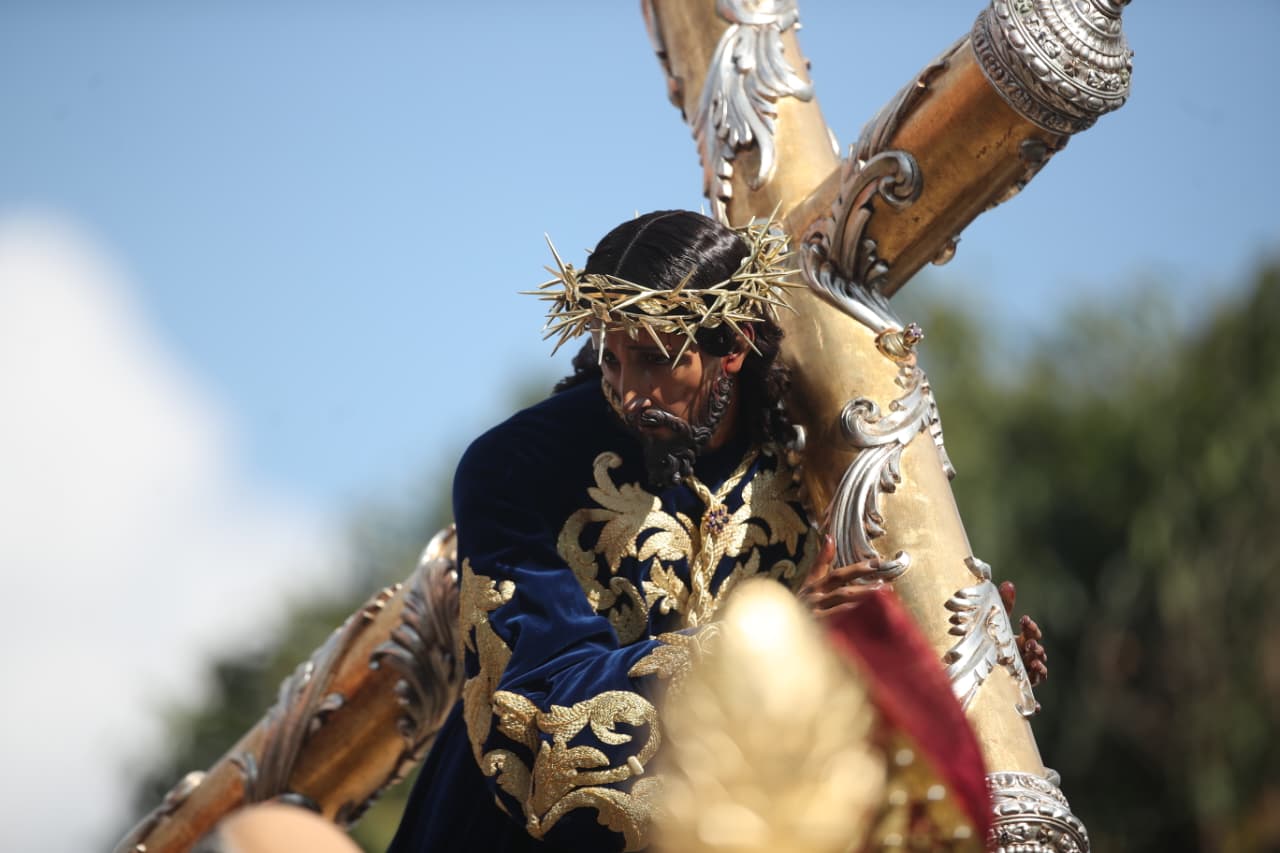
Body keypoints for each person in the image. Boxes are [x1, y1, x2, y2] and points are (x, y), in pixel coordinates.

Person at [388, 210, 1045, 852]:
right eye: (612, 359)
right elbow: (534, 724)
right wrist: (759, 644)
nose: (630, 393)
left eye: (653, 360)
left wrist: (964, 659)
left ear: (731, 347)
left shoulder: (814, 457)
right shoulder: (514, 468)